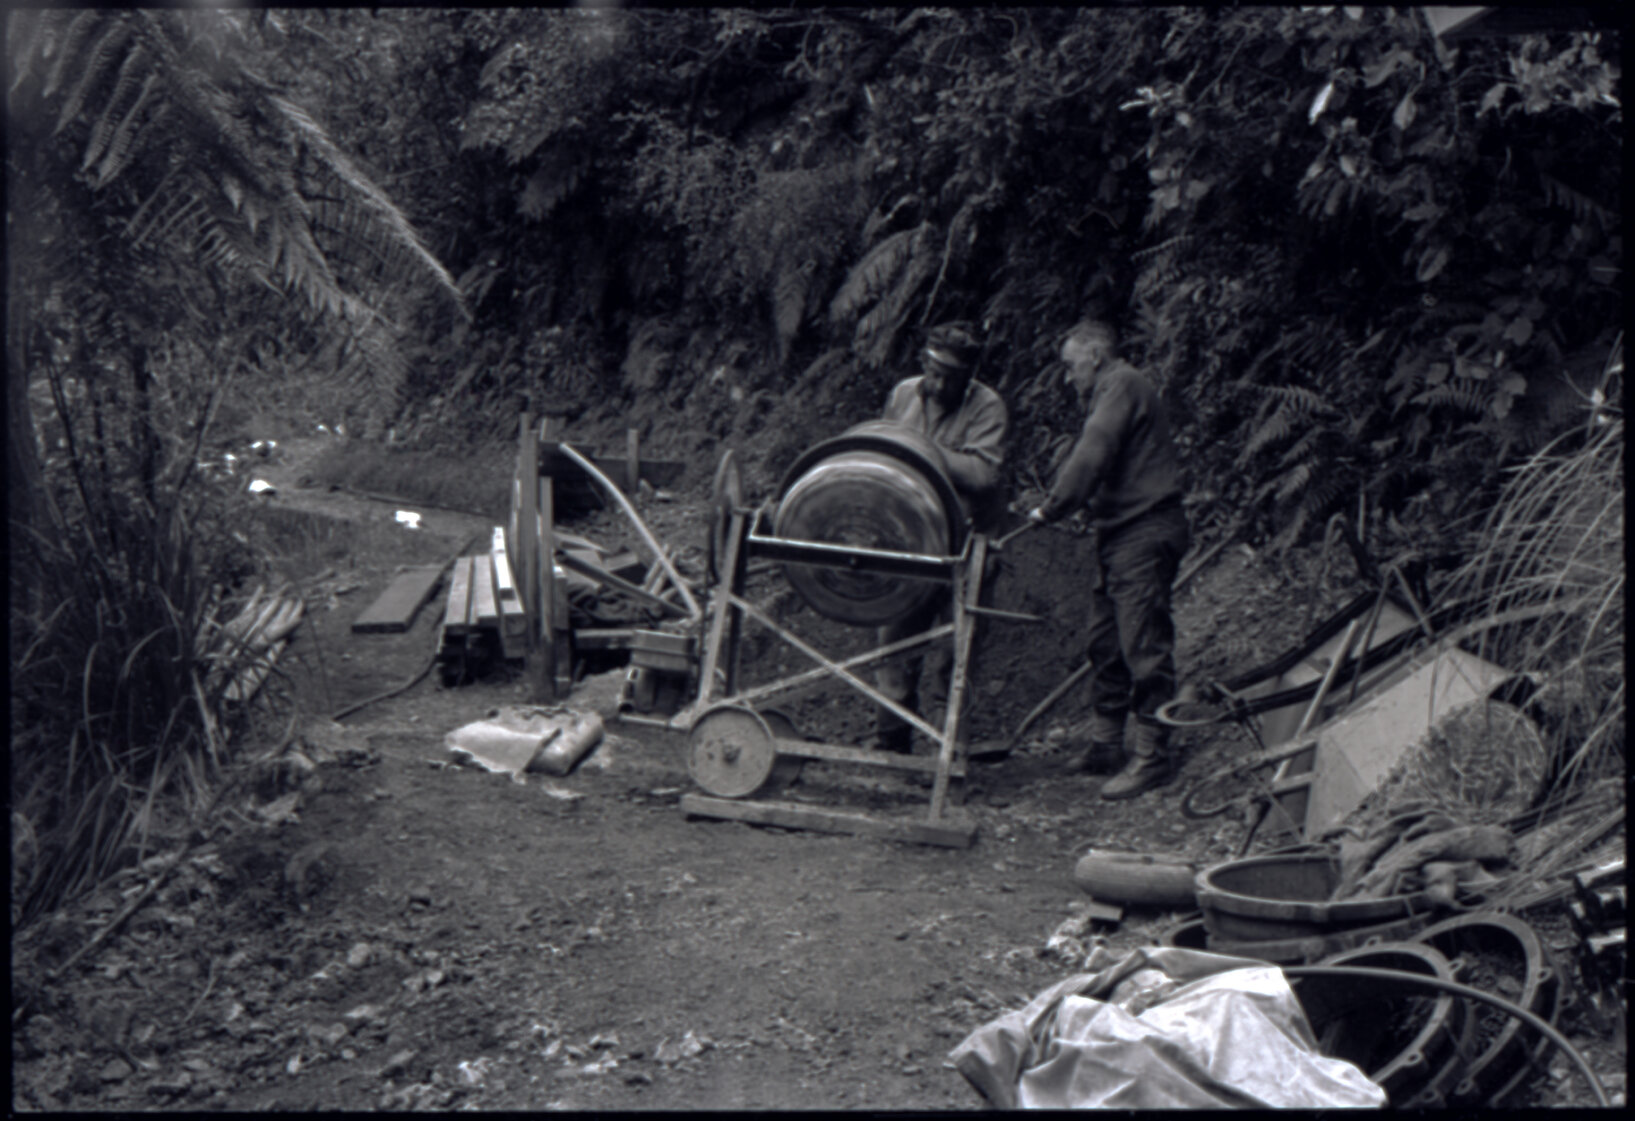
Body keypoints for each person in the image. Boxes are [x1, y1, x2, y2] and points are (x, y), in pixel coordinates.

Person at [1026, 318, 1190, 800]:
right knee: (1105, 640)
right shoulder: (1111, 390)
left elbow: (1093, 451)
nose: (1066, 376)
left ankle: (1152, 756)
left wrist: (1054, 506)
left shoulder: (1121, 384)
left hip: (1145, 531)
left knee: (1143, 644)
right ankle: (1105, 745)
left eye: (1070, 365)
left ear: (1094, 357)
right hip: (1119, 533)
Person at [867, 322, 1009, 754]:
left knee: (955, 656)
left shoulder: (988, 408)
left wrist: (922, 452)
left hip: (965, 547)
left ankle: (950, 753)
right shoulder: (904, 394)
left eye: (951, 378)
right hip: (908, 542)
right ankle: (891, 741)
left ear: (969, 378)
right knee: (892, 643)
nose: (939, 383)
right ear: (923, 362)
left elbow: (985, 474)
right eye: (934, 372)